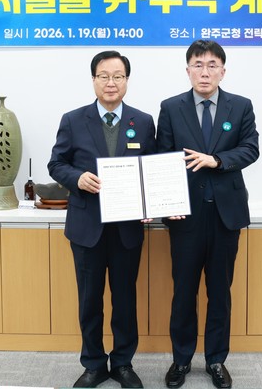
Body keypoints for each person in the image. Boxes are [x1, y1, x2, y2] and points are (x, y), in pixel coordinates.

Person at [48, 50, 157, 388]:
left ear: (127, 80)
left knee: (125, 301)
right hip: (87, 229)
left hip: (127, 229)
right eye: (104, 76)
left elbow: (152, 169)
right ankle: (94, 364)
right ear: (94, 79)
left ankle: (123, 363)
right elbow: (56, 164)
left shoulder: (143, 121)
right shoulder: (73, 120)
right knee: (89, 301)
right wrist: (77, 178)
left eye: (118, 76)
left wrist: (152, 201)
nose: (111, 83)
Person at [157, 40, 259, 389]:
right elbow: (162, 158)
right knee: (183, 292)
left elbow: (250, 149)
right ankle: (181, 360)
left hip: (225, 216)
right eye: (198, 65)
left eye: (212, 65)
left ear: (222, 71)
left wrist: (217, 160)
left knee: (220, 291)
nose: (205, 72)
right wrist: (165, 204)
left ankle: (216, 360)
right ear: (188, 70)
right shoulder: (171, 108)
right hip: (184, 215)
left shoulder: (240, 106)